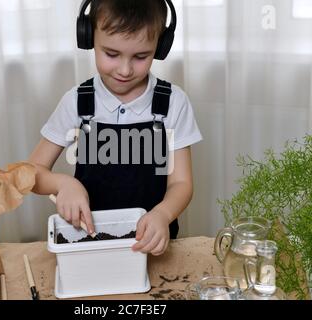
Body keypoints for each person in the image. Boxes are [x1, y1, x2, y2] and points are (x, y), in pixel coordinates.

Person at [29, 0, 202, 256]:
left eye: (141, 57)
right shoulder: (77, 101)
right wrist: (62, 184)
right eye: (111, 54)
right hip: (88, 241)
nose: (125, 70)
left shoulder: (173, 103)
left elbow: (182, 183)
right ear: (89, 37)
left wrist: (163, 214)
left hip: (148, 244)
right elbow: (32, 172)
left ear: (161, 46)